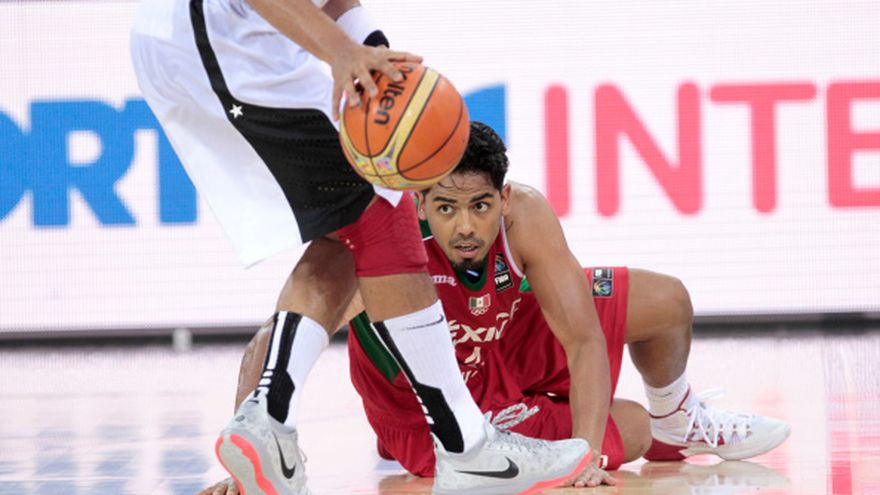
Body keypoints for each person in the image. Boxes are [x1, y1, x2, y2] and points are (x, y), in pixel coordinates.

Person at [130, 1, 590, 494]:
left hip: (218, 43)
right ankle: (466, 447)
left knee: (360, 222)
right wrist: (341, 52)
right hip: (225, 41)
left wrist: (373, 53)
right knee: (383, 206)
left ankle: (272, 415)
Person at [201, 121, 791, 494]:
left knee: (667, 300)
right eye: (446, 208)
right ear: (419, 202)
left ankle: (678, 414)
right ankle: (651, 431)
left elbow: (583, 336)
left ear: (503, 198)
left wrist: (584, 457)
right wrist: (244, 466)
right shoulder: (386, 247)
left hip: (503, 339)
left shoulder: (525, 215)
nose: (465, 226)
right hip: (435, 412)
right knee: (630, 427)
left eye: (480, 207)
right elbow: (270, 340)